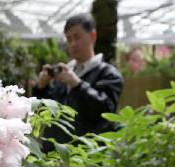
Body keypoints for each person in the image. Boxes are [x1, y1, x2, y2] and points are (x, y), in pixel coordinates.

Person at [32, 13, 124, 144]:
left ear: (93, 36)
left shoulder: (109, 74)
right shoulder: (63, 74)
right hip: (53, 153)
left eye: (77, 37)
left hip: (87, 156)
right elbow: (44, 113)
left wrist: (77, 84)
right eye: (69, 39)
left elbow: (105, 112)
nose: (73, 44)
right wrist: (41, 88)